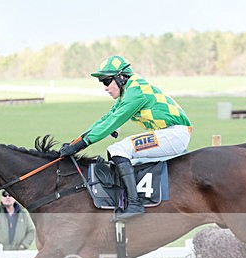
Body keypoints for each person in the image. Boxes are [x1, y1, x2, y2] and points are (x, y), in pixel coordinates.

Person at [59, 55, 192, 220]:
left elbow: (112, 122)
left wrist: (81, 145)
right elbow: (106, 119)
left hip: (174, 134)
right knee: (122, 153)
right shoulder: (130, 90)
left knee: (118, 149)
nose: (105, 88)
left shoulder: (135, 91)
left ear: (121, 77)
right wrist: (76, 142)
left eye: (107, 81)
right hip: (168, 132)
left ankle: (134, 203)